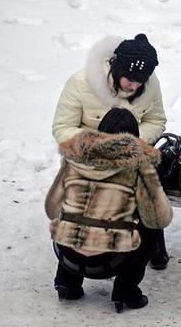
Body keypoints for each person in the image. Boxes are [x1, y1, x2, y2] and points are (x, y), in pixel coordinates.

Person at [52, 33, 171, 270]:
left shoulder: (149, 84)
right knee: (85, 202)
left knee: (149, 194)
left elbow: (156, 120)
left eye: (140, 81)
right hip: (86, 157)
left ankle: (152, 244)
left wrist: (130, 142)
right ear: (115, 69)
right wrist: (99, 145)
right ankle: (69, 269)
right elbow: (62, 127)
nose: (134, 86)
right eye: (129, 79)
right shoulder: (81, 83)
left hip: (130, 156)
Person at [45, 108, 173, 312]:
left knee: (72, 215)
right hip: (112, 260)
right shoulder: (141, 166)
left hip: (66, 255)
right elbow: (160, 218)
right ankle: (126, 292)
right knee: (151, 225)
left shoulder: (73, 158)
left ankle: (67, 284)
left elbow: (51, 209)